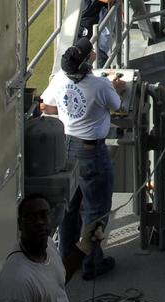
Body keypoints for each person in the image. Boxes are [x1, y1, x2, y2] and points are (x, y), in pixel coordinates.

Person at [40, 39, 125, 280]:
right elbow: (117, 104)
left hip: (67, 148)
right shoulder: (100, 86)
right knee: (96, 210)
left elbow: (45, 106)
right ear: (89, 62)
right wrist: (115, 87)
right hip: (92, 152)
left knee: (69, 207)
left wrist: (66, 110)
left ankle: (68, 261)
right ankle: (91, 263)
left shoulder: (59, 79)